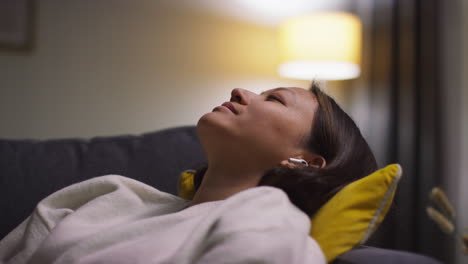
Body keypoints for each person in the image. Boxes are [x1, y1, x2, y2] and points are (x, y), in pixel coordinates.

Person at [0, 82, 377, 264]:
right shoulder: (113, 194)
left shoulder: (268, 216)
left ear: (305, 162)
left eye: (273, 99)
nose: (241, 90)